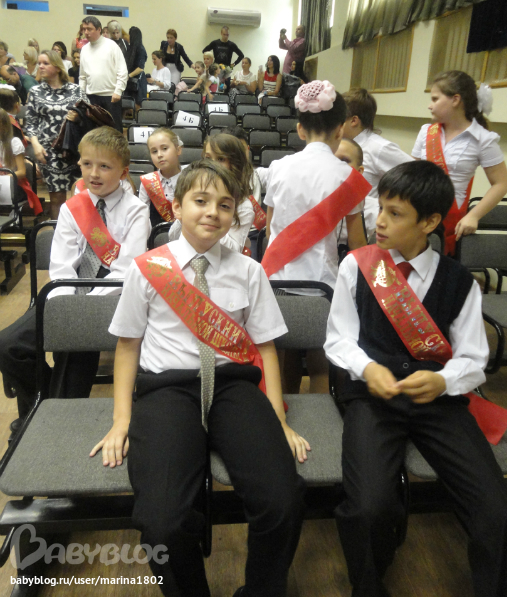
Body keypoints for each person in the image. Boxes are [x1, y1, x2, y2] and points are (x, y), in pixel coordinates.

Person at [90, 158, 308, 597]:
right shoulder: (147, 268)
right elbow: (128, 346)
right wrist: (120, 420)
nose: (213, 212)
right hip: (167, 390)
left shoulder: (249, 270)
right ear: (176, 206)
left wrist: (279, 419)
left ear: (234, 214)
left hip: (233, 387)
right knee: (162, 521)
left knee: (283, 500)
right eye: (201, 201)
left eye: (224, 205)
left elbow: (266, 347)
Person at [325, 159, 507, 597]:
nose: (379, 221)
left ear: (429, 222)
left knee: (494, 507)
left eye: (395, 213)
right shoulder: (357, 266)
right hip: (373, 396)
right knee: (369, 507)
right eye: (380, 207)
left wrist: (445, 381)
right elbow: (338, 339)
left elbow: (473, 357)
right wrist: (368, 368)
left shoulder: (459, 281)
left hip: (438, 399)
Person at [0, 127, 150, 424]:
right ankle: (40, 406)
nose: (94, 173)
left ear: (123, 171)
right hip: (68, 288)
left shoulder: (135, 210)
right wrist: (64, 306)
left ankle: (52, 419)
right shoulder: (73, 208)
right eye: (87, 164)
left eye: (104, 166)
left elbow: (124, 270)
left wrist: (81, 309)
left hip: (112, 294)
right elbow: (62, 266)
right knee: (9, 346)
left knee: (75, 348)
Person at [263, 80, 371, 394]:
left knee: (283, 355)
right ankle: (322, 416)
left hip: (278, 281)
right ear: (340, 130)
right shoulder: (347, 176)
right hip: (322, 285)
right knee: (320, 360)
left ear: (300, 129)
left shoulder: (278, 167)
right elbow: (357, 244)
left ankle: (283, 410)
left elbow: (270, 231)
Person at [412, 70, 507, 255]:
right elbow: (412, 171)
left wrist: (474, 215)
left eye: (435, 99)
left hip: (450, 219)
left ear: (455, 100)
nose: (430, 106)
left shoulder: (483, 139)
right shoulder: (426, 132)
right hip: (417, 213)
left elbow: (501, 183)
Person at [342, 88, 413, 239]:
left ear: (353, 121)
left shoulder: (379, 148)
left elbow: (418, 175)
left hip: (366, 229)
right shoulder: (341, 145)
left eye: (339, 119)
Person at [25, 50, 86, 219]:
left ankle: (78, 230)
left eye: (45, 63)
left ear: (58, 67)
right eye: (39, 63)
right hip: (49, 151)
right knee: (56, 197)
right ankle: (57, 230)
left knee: (78, 195)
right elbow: (31, 124)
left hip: (74, 149)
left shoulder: (76, 90)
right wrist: (36, 145)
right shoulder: (35, 92)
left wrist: (78, 116)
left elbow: (89, 116)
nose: (41, 66)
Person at [170, 134, 255, 253]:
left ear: (236, 164)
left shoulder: (243, 206)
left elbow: (234, 249)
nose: (212, 164)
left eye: (220, 159)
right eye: (208, 158)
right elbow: (172, 237)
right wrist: (187, 218)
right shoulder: (195, 192)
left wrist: (211, 226)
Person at [79, 15, 128, 133]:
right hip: (91, 97)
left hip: (111, 96)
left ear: (99, 29)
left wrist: (118, 91)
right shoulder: (84, 49)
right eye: (84, 29)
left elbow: (122, 70)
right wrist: (81, 95)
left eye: (89, 29)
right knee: (93, 132)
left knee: (114, 132)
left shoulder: (112, 46)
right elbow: (82, 76)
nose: (86, 32)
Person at [0, 100, 42, 216]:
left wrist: (3, 178)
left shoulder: (13, 142)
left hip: (12, 185)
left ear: (3, 125)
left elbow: (22, 172)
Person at [139, 127, 184, 225]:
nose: (159, 155)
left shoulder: (190, 177)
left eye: (164, 149)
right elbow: (142, 218)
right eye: (154, 151)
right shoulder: (147, 182)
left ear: (178, 150)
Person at [125, 26, 148, 110]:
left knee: (137, 106)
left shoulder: (141, 49)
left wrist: (129, 75)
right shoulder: (130, 48)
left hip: (138, 81)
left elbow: (140, 68)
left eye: (129, 34)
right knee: (127, 105)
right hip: (130, 81)